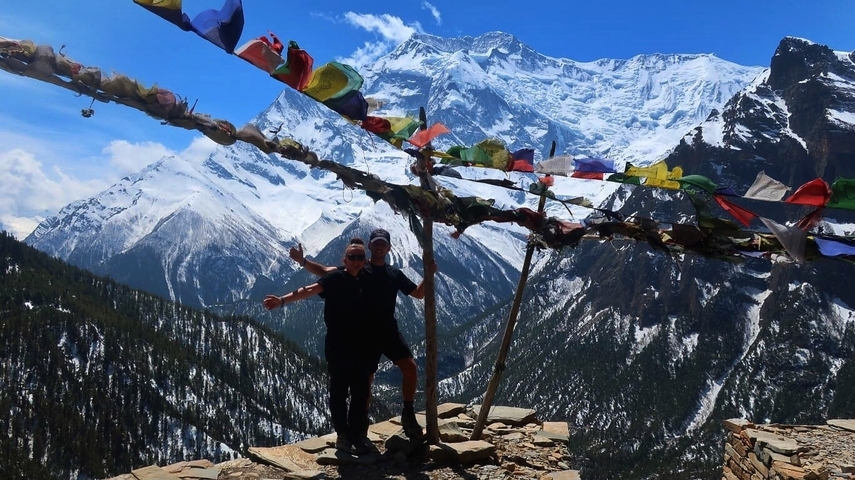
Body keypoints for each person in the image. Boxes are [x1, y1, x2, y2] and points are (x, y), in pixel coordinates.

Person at [290, 228, 436, 440]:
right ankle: (361, 427)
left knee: (410, 367)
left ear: (388, 248)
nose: (379, 247)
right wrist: (302, 261)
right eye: (376, 243)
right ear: (370, 246)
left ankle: (408, 412)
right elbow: (326, 272)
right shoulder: (358, 266)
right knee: (365, 382)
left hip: (388, 330)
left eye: (383, 243)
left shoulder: (394, 274)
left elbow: (419, 294)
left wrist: (428, 274)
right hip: (364, 333)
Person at [264, 240, 377, 455]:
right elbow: (310, 289)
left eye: (360, 257)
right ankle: (343, 435)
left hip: (362, 345)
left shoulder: (367, 276)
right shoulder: (336, 278)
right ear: (345, 260)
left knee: (361, 392)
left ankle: (358, 434)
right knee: (339, 392)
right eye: (352, 257)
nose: (356, 261)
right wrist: (282, 300)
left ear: (365, 260)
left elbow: (323, 270)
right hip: (338, 345)